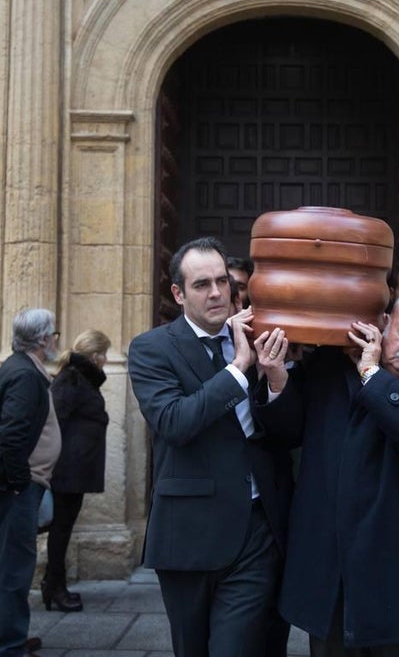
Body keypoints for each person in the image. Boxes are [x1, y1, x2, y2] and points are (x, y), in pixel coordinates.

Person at [256, 289, 399, 656]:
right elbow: (287, 432)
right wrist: (277, 377)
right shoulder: (331, 368)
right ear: (385, 325)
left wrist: (372, 374)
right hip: (334, 580)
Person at [127, 236, 290, 657]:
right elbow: (174, 422)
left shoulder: (258, 337)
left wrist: (275, 380)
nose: (217, 293)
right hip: (188, 533)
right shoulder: (151, 348)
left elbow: (283, 433)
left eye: (222, 281)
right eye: (202, 284)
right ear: (178, 293)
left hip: (255, 530)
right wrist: (238, 368)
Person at [0, 308, 62, 657]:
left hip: (18, 484)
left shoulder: (23, 368)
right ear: (42, 339)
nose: (55, 340)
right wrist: (18, 482)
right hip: (17, 487)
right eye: (53, 335)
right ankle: (6, 645)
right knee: (15, 568)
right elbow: (12, 434)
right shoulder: (25, 374)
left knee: (6, 564)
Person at [41, 328, 111, 612]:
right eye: (104, 353)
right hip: (66, 471)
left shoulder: (80, 377)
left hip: (75, 469)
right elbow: (53, 422)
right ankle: (54, 587)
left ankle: (54, 584)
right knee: (60, 530)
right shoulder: (71, 378)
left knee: (63, 529)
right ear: (94, 356)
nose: (106, 359)